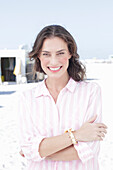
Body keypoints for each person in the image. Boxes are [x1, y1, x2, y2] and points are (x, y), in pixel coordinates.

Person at [18, 25, 107, 170]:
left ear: (70, 53)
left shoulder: (91, 92)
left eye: (60, 53)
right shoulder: (28, 98)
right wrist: (77, 135)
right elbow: (29, 150)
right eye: (46, 54)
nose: (53, 61)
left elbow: (89, 151)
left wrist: (41, 151)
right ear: (38, 56)